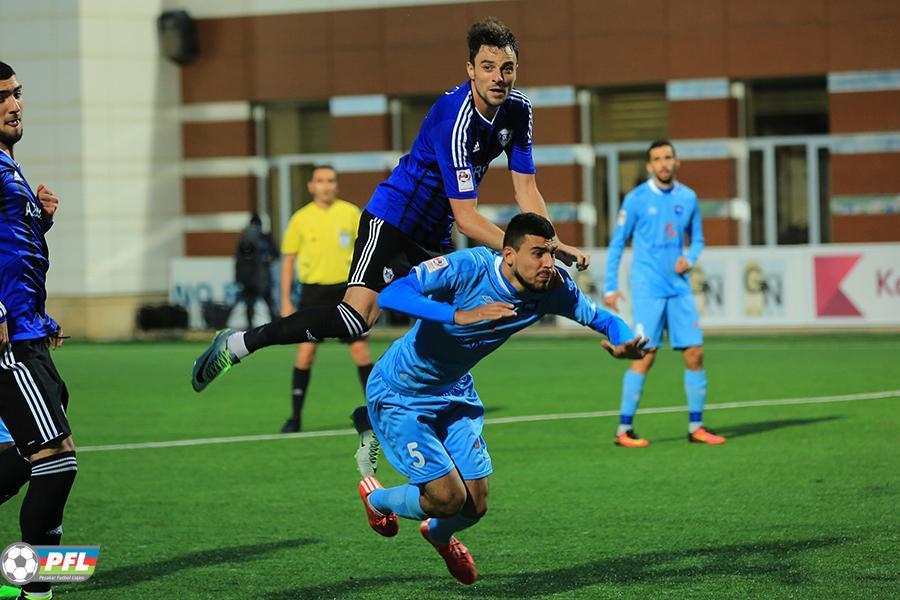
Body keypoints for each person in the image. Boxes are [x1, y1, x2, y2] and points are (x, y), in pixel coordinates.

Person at [192, 17, 591, 477]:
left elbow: (526, 189)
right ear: (470, 70)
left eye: (507, 68)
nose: (499, 78)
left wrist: (549, 242)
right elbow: (468, 218)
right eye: (488, 67)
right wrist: (534, 252)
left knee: (459, 318)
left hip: (434, 234)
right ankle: (240, 343)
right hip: (393, 220)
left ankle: (375, 412)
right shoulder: (455, 118)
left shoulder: (519, 109)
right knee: (355, 318)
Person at [357, 213, 648, 584]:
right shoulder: (469, 267)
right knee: (447, 498)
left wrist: (623, 340)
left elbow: (604, 320)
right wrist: (458, 315)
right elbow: (393, 293)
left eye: (551, 252)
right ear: (509, 255)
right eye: (538, 253)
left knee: (475, 505)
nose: (548, 263)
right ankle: (377, 499)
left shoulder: (553, 287)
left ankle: (438, 535)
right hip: (401, 391)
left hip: (454, 390)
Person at [0, 61, 78, 600]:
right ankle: (35, 589)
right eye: (1, 97)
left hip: (28, 332)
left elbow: (13, 253)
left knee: (35, 455)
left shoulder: (10, 166)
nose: (14, 104)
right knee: (57, 457)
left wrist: (40, 218)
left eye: (17, 93)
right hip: (9, 342)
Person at [603, 140, 726, 447]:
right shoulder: (636, 199)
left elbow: (698, 240)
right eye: (657, 159)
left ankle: (696, 427)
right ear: (649, 166)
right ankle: (624, 429)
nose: (663, 163)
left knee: (695, 353)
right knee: (645, 355)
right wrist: (610, 286)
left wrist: (690, 259)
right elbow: (617, 243)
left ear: (676, 162)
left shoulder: (688, 197)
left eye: (668, 157)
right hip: (647, 289)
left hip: (679, 288)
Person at [277, 166, 373, 433]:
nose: (326, 185)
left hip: (347, 291)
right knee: (306, 352)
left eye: (330, 180)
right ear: (311, 186)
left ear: (337, 185)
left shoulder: (350, 213)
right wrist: (285, 300)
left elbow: (367, 250)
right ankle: (295, 417)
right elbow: (288, 260)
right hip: (313, 293)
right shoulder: (300, 218)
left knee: (360, 351)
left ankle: (376, 413)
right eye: (320, 181)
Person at [233, 213, 278, 328]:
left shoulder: (243, 238)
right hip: (262, 276)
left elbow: (238, 259)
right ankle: (276, 326)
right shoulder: (264, 238)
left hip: (247, 277)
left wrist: (239, 277)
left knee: (249, 304)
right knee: (268, 302)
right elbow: (275, 254)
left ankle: (250, 327)